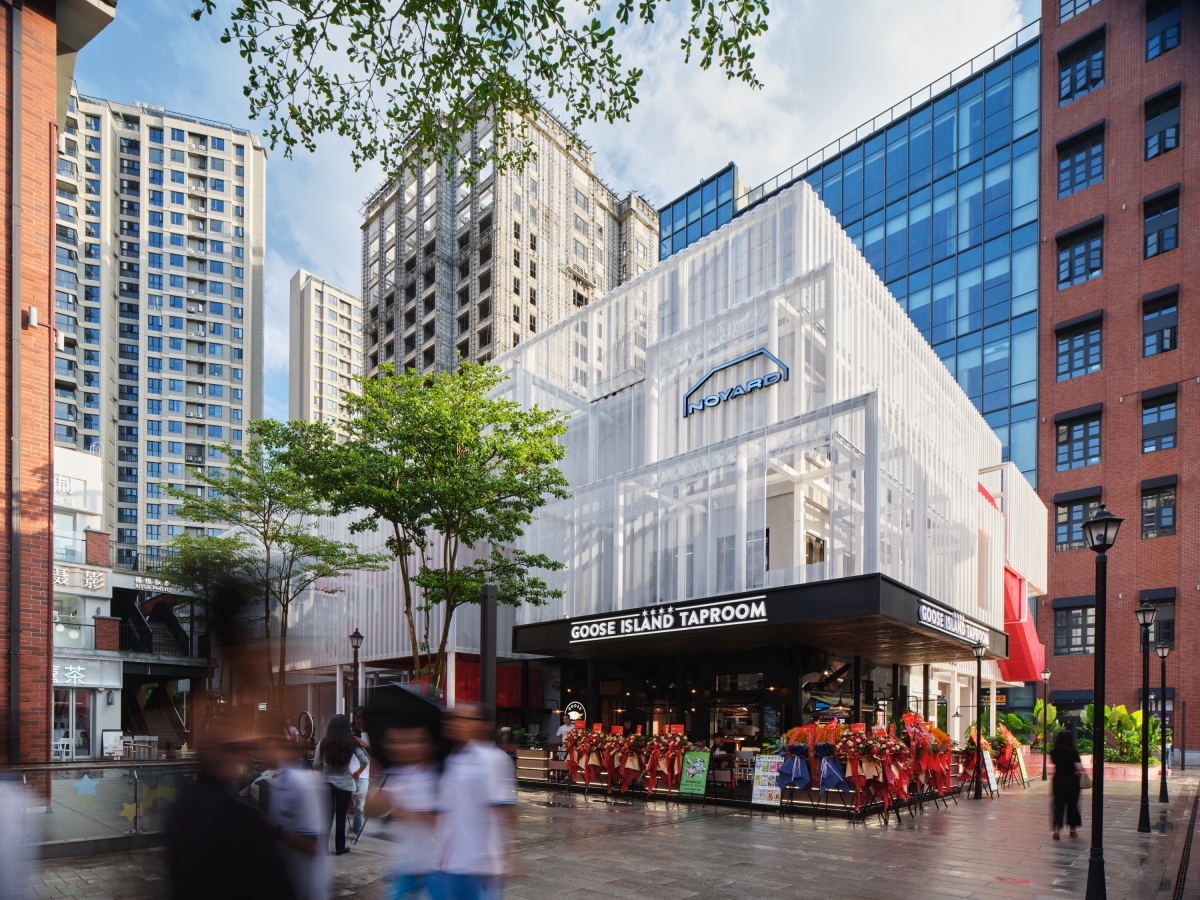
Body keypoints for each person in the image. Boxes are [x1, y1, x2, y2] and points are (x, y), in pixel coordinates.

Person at [167, 706, 301, 900]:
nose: (247, 756)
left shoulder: (180, 808)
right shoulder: (244, 820)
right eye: (241, 748)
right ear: (219, 751)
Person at [433, 704, 517, 900]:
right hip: (452, 864)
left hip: (482, 867)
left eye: (466, 719)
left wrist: (507, 850)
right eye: (454, 719)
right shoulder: (452, 761)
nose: (457, 724)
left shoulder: (494, 760)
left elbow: (504, 809)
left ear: (485, 725)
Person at [366, 724, 439, 899]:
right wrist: (374, 799)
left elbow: (440, 818)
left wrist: (404, 810)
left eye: (416, 741)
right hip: (408, 864)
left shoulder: (439, 775)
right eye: (392, 742)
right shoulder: (400, 773)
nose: (401, 747)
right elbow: (373, 810)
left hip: (436, 866)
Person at [261, 726, 331, 900]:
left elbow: (311, 846)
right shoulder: (278, 783)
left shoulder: (302, 783)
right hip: (288, 884)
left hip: (307, 887)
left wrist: (274, 829)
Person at [313, 714, 357, 855]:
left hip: (327, 783)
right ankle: (340, 847)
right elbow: (364, 760)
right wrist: (357, 772)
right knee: (341, 816)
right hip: (345, 784)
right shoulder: (350, 743)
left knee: (327, 817)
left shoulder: (323, 742)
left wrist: (324, 771)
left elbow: (316, 763)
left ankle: (323, 848)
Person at [1050, 729, 1083, 839]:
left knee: (1058, 806)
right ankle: (1072, 829)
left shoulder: (1054, 752)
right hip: (1072, 781)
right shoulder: (1073, 753)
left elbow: (1056, 763)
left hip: (1058, 780)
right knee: (1072, 805)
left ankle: (1057, 829)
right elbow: (1079, 768)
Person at [350, 707, 372, 835]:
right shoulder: (349, 733)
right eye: (357, 717)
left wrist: (366, 745)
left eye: (362, 717)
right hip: (347, 774)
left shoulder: (369, 735)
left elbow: (375, 754)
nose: (359, 720)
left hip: (362, 775)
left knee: (358, 806)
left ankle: (356, 831)